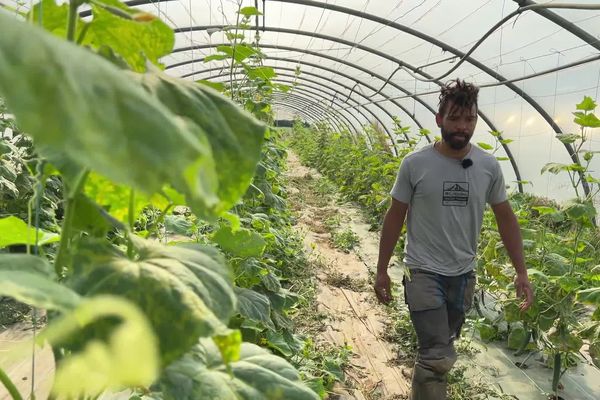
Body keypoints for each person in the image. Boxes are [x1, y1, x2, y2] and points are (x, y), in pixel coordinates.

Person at [373, 79, 534, 400]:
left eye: (469, 119)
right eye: (455, 118)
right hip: (422, 271)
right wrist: (381, 269)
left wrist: (521, 270)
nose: (462, 127)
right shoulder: (415, 164)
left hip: (463, 275)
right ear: (439, 119)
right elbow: (395, 216)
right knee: (437, 355)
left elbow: (505, 218)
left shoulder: (488, 166)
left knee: (443, 344)